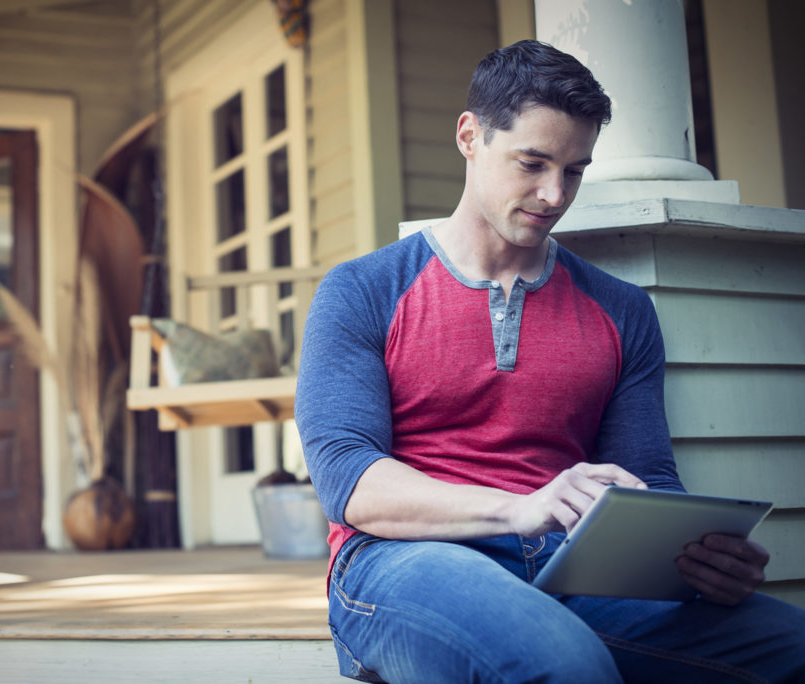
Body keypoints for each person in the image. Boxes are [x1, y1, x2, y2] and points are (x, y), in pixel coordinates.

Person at [294, 39, 805, 683]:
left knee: (792, 645)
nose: (553, 194)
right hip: (400, 561)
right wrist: (520, 506)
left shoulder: (621, 312)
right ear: (470, 136)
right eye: (531, 163)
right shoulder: (363, 290)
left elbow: (646, 478)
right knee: (564, 665)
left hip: (574, 567)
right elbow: (349, 483)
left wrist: (695, 559)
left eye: (574, 170)